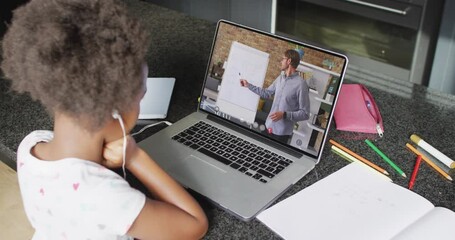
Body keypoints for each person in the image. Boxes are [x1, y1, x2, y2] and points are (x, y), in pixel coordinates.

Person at [1, 0, 208, 239]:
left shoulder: (31, 145)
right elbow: (194, 225)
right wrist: (135, 157)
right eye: (140, 97)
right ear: (117, 111)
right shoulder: (105, 196)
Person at [240, 49, 310, 144]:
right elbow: (266, 93)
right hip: (269, 126)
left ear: (289, 61)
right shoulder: (280, 78)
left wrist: (284, 114)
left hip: (281, 133)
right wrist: (248, 85)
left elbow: (305, 113)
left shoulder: (301, 84)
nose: (281, 61)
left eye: (283, 59)